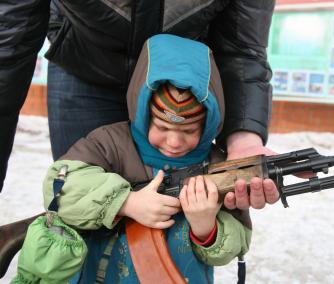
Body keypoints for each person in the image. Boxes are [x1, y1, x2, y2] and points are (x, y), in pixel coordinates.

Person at [13, 35, 252, 283]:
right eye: (162, 127)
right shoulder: (112, 143)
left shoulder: (218, 166)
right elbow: (59, 186)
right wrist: (127, 202)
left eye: (189, 131)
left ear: (209, 123)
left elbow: (238, 241)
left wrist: (206, 228)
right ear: (143, 113)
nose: (174, 142)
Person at [0, 1, 281, 210]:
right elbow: (9, 43)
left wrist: (244, 136)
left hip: (182, 89)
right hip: (85, 63)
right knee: (79, 200)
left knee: (184, 217)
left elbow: (242, 46)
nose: (173, 143)